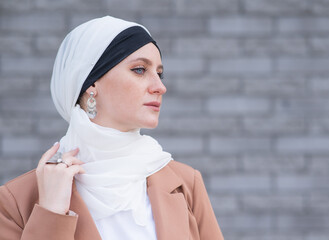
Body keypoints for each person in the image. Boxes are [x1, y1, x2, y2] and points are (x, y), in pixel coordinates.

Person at [0, 16, 224, 240]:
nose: (160, 86)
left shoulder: (186, 183)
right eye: (139, 70)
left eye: (159, 73)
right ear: (91, 84)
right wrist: (50, 213)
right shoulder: (16, 201)